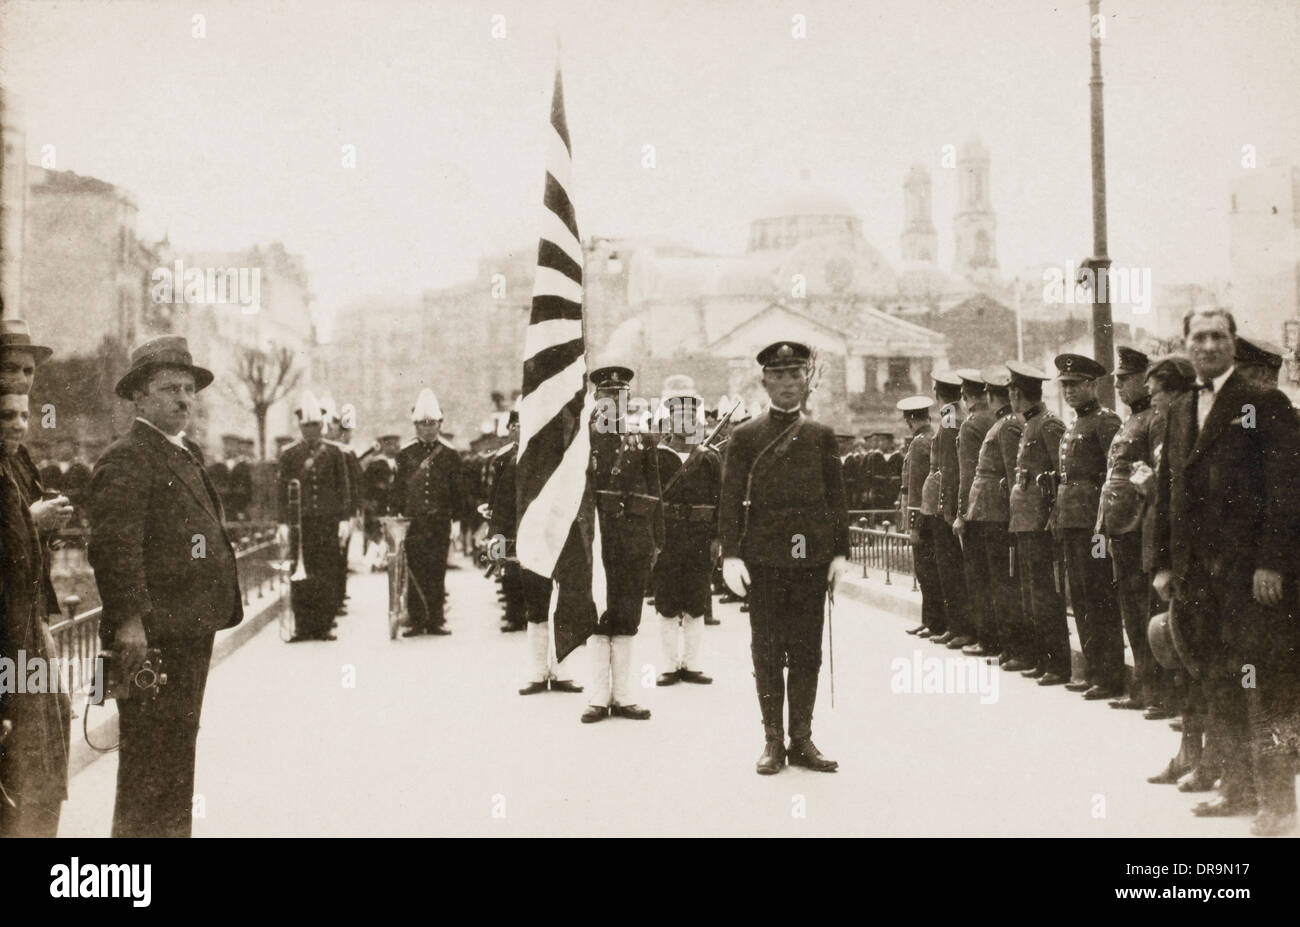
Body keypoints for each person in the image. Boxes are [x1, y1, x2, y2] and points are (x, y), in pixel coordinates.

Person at [87, 336, 243, 837]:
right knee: (148, 762)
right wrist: (130, 622)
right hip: (151, 639)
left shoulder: (182, 453)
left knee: (175, 753)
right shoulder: (129, 457)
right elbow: (115, 547)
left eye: (189, 389)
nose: (183, 398)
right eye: (169, 388)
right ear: (139, 396)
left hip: (187, 630)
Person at [1152, 308, 1300, 836]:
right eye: (1199, 336)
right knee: (1219, 682)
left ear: (1233, 343)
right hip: (1198, 579)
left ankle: (1279, 805)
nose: (1209, 345)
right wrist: (1164, 563)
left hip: (1249, 577)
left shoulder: (1264, 403)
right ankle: (1237, 789)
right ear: (1186, 344)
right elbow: (1171, 491)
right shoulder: (1182, 408)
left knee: (1268, 685)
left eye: (1219, 336)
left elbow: (1286, 491)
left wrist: (1272, 562)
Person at [719, 341, 849, 774]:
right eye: (779, 376)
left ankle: (803, 738)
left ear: (805, 381)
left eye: (795, 375)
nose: (788, 384)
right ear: (765, 382)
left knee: (808, 651)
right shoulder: (744, 437)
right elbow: (730, 499)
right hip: (765, 561)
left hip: (810, 560)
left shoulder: (821, 436)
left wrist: (840, 553)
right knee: (769, 652)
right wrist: (731, 555)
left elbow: (836, 500)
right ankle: (773, 741)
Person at [0, 380, 71, 836]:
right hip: (9, 631)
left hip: (26, 623)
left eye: (24, 416)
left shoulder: (17, 462)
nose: (20, 426)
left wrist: (45, 525)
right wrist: (31, 521)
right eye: (8, 416)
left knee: (53, 721)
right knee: (24, 744)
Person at [583, 366, 662, 723]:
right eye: (608, 394)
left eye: (621, 394)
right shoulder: (583, 438)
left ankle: (625, 694)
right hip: (598, 537)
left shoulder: (643, 437)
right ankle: (598, 696)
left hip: (633, 538)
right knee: (598, 612)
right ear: (597, 398)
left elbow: (654, 490)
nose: (614, 400)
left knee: (628, 613)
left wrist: (657, 539)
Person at [1051, 353, 1123, 700]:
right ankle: (1094, 670)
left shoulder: (1105, 422)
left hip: (1095, 525)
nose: (1069, 392)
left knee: (1098, 596)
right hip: (1073, 522)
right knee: (1079, 595)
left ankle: (1108, 675)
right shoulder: (1074, 426)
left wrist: (1105, 526)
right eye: (1065, 386)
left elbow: (1114, 475)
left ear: (1092, 385)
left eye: (1075, 385)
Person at [1098, 347, 1164, 712]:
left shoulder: (1154, 419)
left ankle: (1158, 692)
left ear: (1144, 379)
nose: (1119, 386)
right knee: (1131, 610)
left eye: (1125, 379)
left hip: (1141, 527)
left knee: (1147, 609)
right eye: (1117, 380)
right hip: (1121, 528)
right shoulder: (1129, 421)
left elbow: (1156, 474)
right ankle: (1141, 689)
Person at [652, 375, 719, 687]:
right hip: (666, 538)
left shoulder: (709, 458)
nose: (685, 420)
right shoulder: (655, 457)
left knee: (696, 602)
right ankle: (668, 665)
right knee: (666, 603)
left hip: (699, 538)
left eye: (691, 415)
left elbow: (721, 501)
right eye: (679, 415)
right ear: (669, 419)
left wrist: (718, 539)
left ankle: (692, 664)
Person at [1006, 360, 1070, 685]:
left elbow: (1062, 474)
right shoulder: (1030, 424)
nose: (1011, 398)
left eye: (1012, 392)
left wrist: (1055, 516)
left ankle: (1058, 664)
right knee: (1032, 594)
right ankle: (1044, 660)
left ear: (1018, 394)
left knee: (1046, 595)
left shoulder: (1048, 425)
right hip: (1026, 521)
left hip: (1042, 522)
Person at [961, 364, 1028, 669]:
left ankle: (1012, 645)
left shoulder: (1008, 425)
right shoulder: (999, 424)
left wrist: (1015, 515)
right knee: (994, 580)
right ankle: (1006, 645)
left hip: (998, 512)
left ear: (991, 395)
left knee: (1003, 582)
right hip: (988, 510)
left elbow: (1013, 472)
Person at [276, 392, 351, 641]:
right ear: (300, 427)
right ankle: (303, 627)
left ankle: (323, 625)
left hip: (327, 522)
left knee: (325, 574)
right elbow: (281, 491)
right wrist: (283, 523)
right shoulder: (289, 454)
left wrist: (344, 519)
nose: (311, 430)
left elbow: (343, 489)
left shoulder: (334, 453)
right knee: (301, 575)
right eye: (307, 426)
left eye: (315, 425)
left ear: (322, 425)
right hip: (302, 523)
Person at [395, 389, 465, 636]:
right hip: (413, 522)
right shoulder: (405, 454)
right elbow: (397, 492)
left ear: (440, 424)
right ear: (415, 425)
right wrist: (395, 521)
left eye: (431, 423)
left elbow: (459, 493)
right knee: (413, 571)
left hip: (439, 521)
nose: (427, 428)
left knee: (437, 571)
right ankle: (416, 620)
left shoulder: (450, 454)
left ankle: (436, 619)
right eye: (422, 424)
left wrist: (457, 522)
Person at [922, 371, 972, 650]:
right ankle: (956, 627)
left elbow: (950, 467)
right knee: (949, 569)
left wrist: (947, 507)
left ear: (937, 391)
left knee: (951, 569)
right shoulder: (951, 416)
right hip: (947, 501)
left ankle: (960, 627)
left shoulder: (950, 418)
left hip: (947, 505)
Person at [951, 368, 998, 657]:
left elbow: (967, 473)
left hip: (978, 508)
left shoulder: (970, 425)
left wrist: (961, 513)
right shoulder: (995, 419)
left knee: (979, 577)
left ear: (965, 396)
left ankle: (986, 638)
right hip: (1000, 508)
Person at [898, 396, 945, 639]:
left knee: (926, 572)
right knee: (929, 571)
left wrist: (913, 525)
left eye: (909, 419)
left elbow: (916, 487)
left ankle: (934, 622)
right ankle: (930, 621)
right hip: (930, 514)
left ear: (910, 420)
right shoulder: (930, 438)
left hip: (922, 517)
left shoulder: (918, 443)